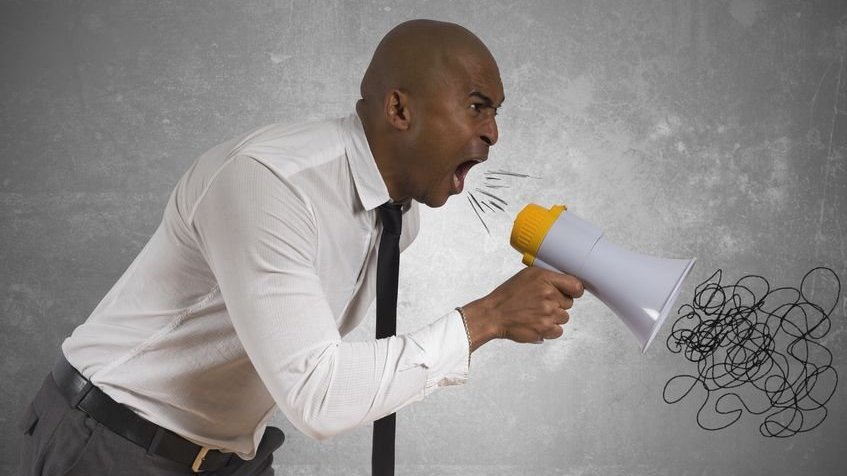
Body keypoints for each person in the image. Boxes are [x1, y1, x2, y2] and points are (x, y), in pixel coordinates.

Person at [18, 19, 584, 475]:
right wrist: (487, 317)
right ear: (399, 110)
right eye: (477, 106)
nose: (493, 134)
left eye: (495, 114)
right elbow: (318, 391)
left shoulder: (399, 217)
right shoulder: (271, 183)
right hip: (113, 441)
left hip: (230, 454)